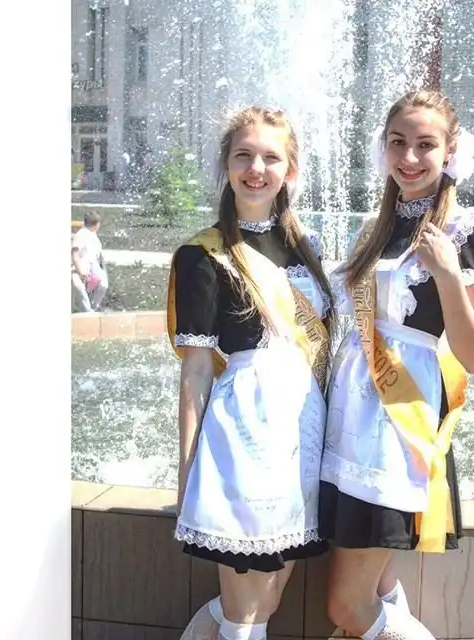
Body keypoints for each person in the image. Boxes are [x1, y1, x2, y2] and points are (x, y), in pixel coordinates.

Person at [318, 89, 474, 639]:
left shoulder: (465, 228)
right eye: (399, 142)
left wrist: (447, 274)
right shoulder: (372, 229)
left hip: (397, 424)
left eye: (426, 145)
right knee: (373, 591)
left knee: (346, 606)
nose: (411, 157)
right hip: (348, 416)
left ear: (449, 152)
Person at [166, 107, 335, 640]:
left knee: (267, 599)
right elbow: (196, 372)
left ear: (290, 169)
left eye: (270, 157)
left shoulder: (308, 247)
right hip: (243, 432)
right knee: (248, 614)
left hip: (303, 431)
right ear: (227, 164)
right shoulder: (201, 255)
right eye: (244, 155)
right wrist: (187, 466)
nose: (256, 168)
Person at [71, 211, 108, 312]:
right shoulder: (81, 234)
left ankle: (92, 308)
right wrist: (80, 271)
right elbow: (75, 254)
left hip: (92, 267)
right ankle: (87, 311)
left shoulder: (92, 234)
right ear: (97, 224)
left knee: (103, 285)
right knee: (78, 287)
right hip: (80, 266)